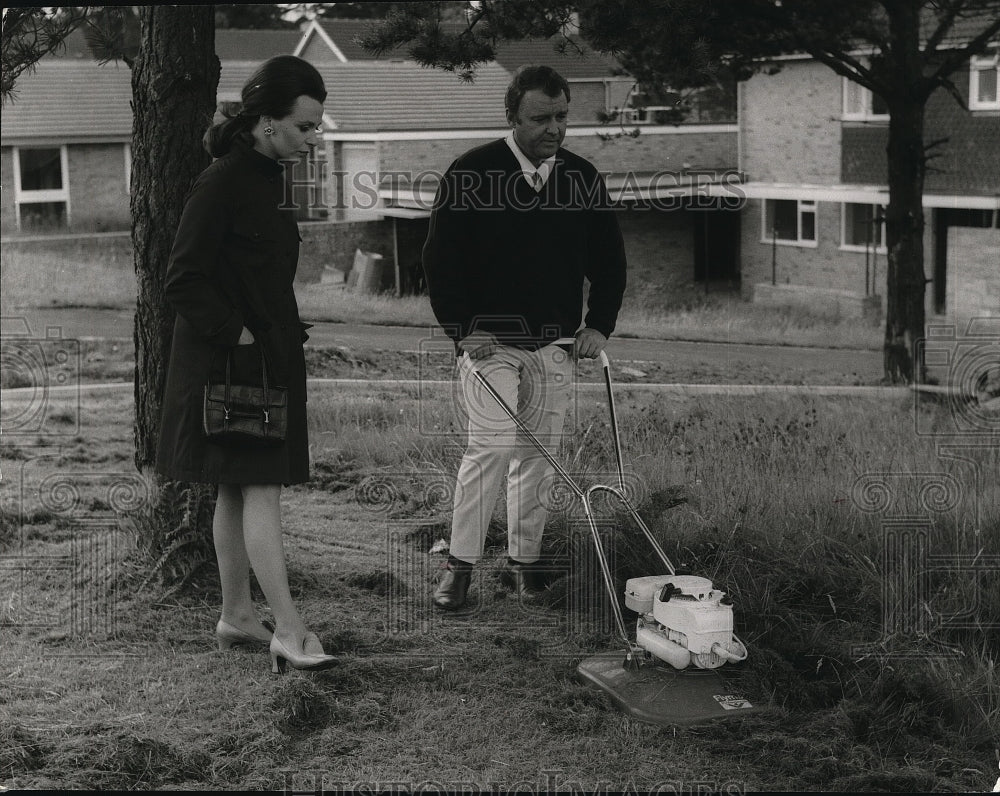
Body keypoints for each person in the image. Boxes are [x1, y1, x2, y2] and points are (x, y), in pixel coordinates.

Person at [423, 64, 628, 610]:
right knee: (490, 447)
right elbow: (440, 262)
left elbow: (610, 262)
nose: (554, 128)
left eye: (562, 116)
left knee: (539, 456)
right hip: (490, 345)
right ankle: (459, 567)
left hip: (555, 345)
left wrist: (599, 324)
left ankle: (525, 565)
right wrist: (463, 328)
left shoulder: (582, 178)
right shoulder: (472, 173)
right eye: (541, 118)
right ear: (512, 116)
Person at [156, 55, 336, 673]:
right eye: (305, 127)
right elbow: (182, 278)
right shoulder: (223, 181)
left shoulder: (269, 179)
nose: (314, 138)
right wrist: (238, 337)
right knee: (261, 485)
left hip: (263, 362)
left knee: (237, 486)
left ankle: (237, 614)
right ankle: (288, 627)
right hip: (229, 367)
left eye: (317, 127)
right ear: (267, 123)